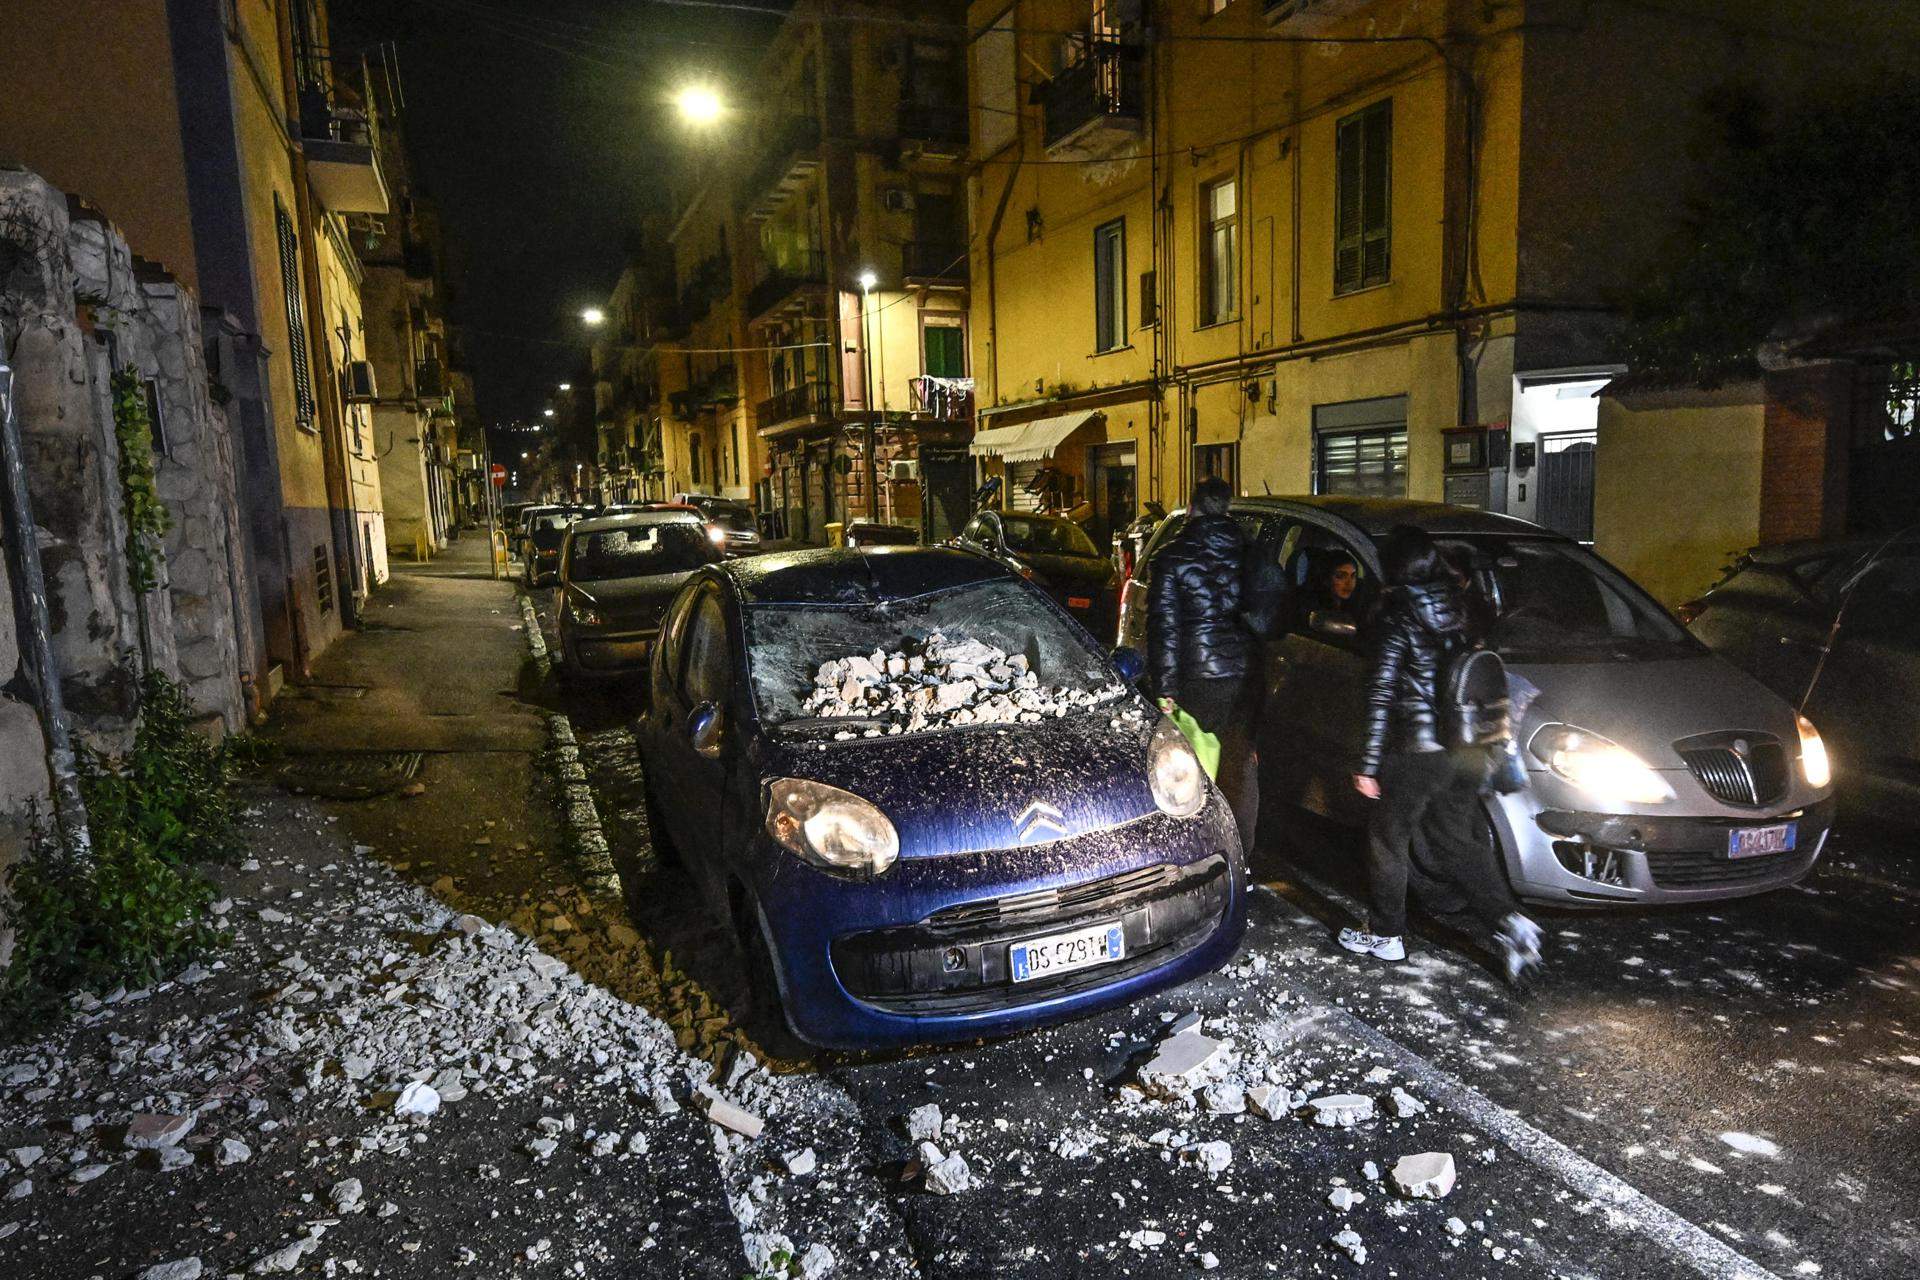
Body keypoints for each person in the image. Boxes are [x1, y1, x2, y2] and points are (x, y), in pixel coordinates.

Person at [1343, 525, 1544, 982]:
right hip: (1468, 744)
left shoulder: (1396, 616)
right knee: (1457, 840)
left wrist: (1368, 765)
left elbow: (1381, 694)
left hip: (1418, 748)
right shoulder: (1462, 605)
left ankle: (1386, 934)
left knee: (1387, 838)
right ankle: (1512, 923)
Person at [1147, 477, 1258, 850]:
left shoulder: (1173, 557)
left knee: (1189, 768)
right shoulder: (1249, 552)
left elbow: (1165, 626)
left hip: (1195, 678)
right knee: (1239, 768)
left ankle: (1200, 848)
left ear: (1192, 508)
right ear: (1226, 508)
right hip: (1241, 675)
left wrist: (1164, 688)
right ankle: (1241, 854)